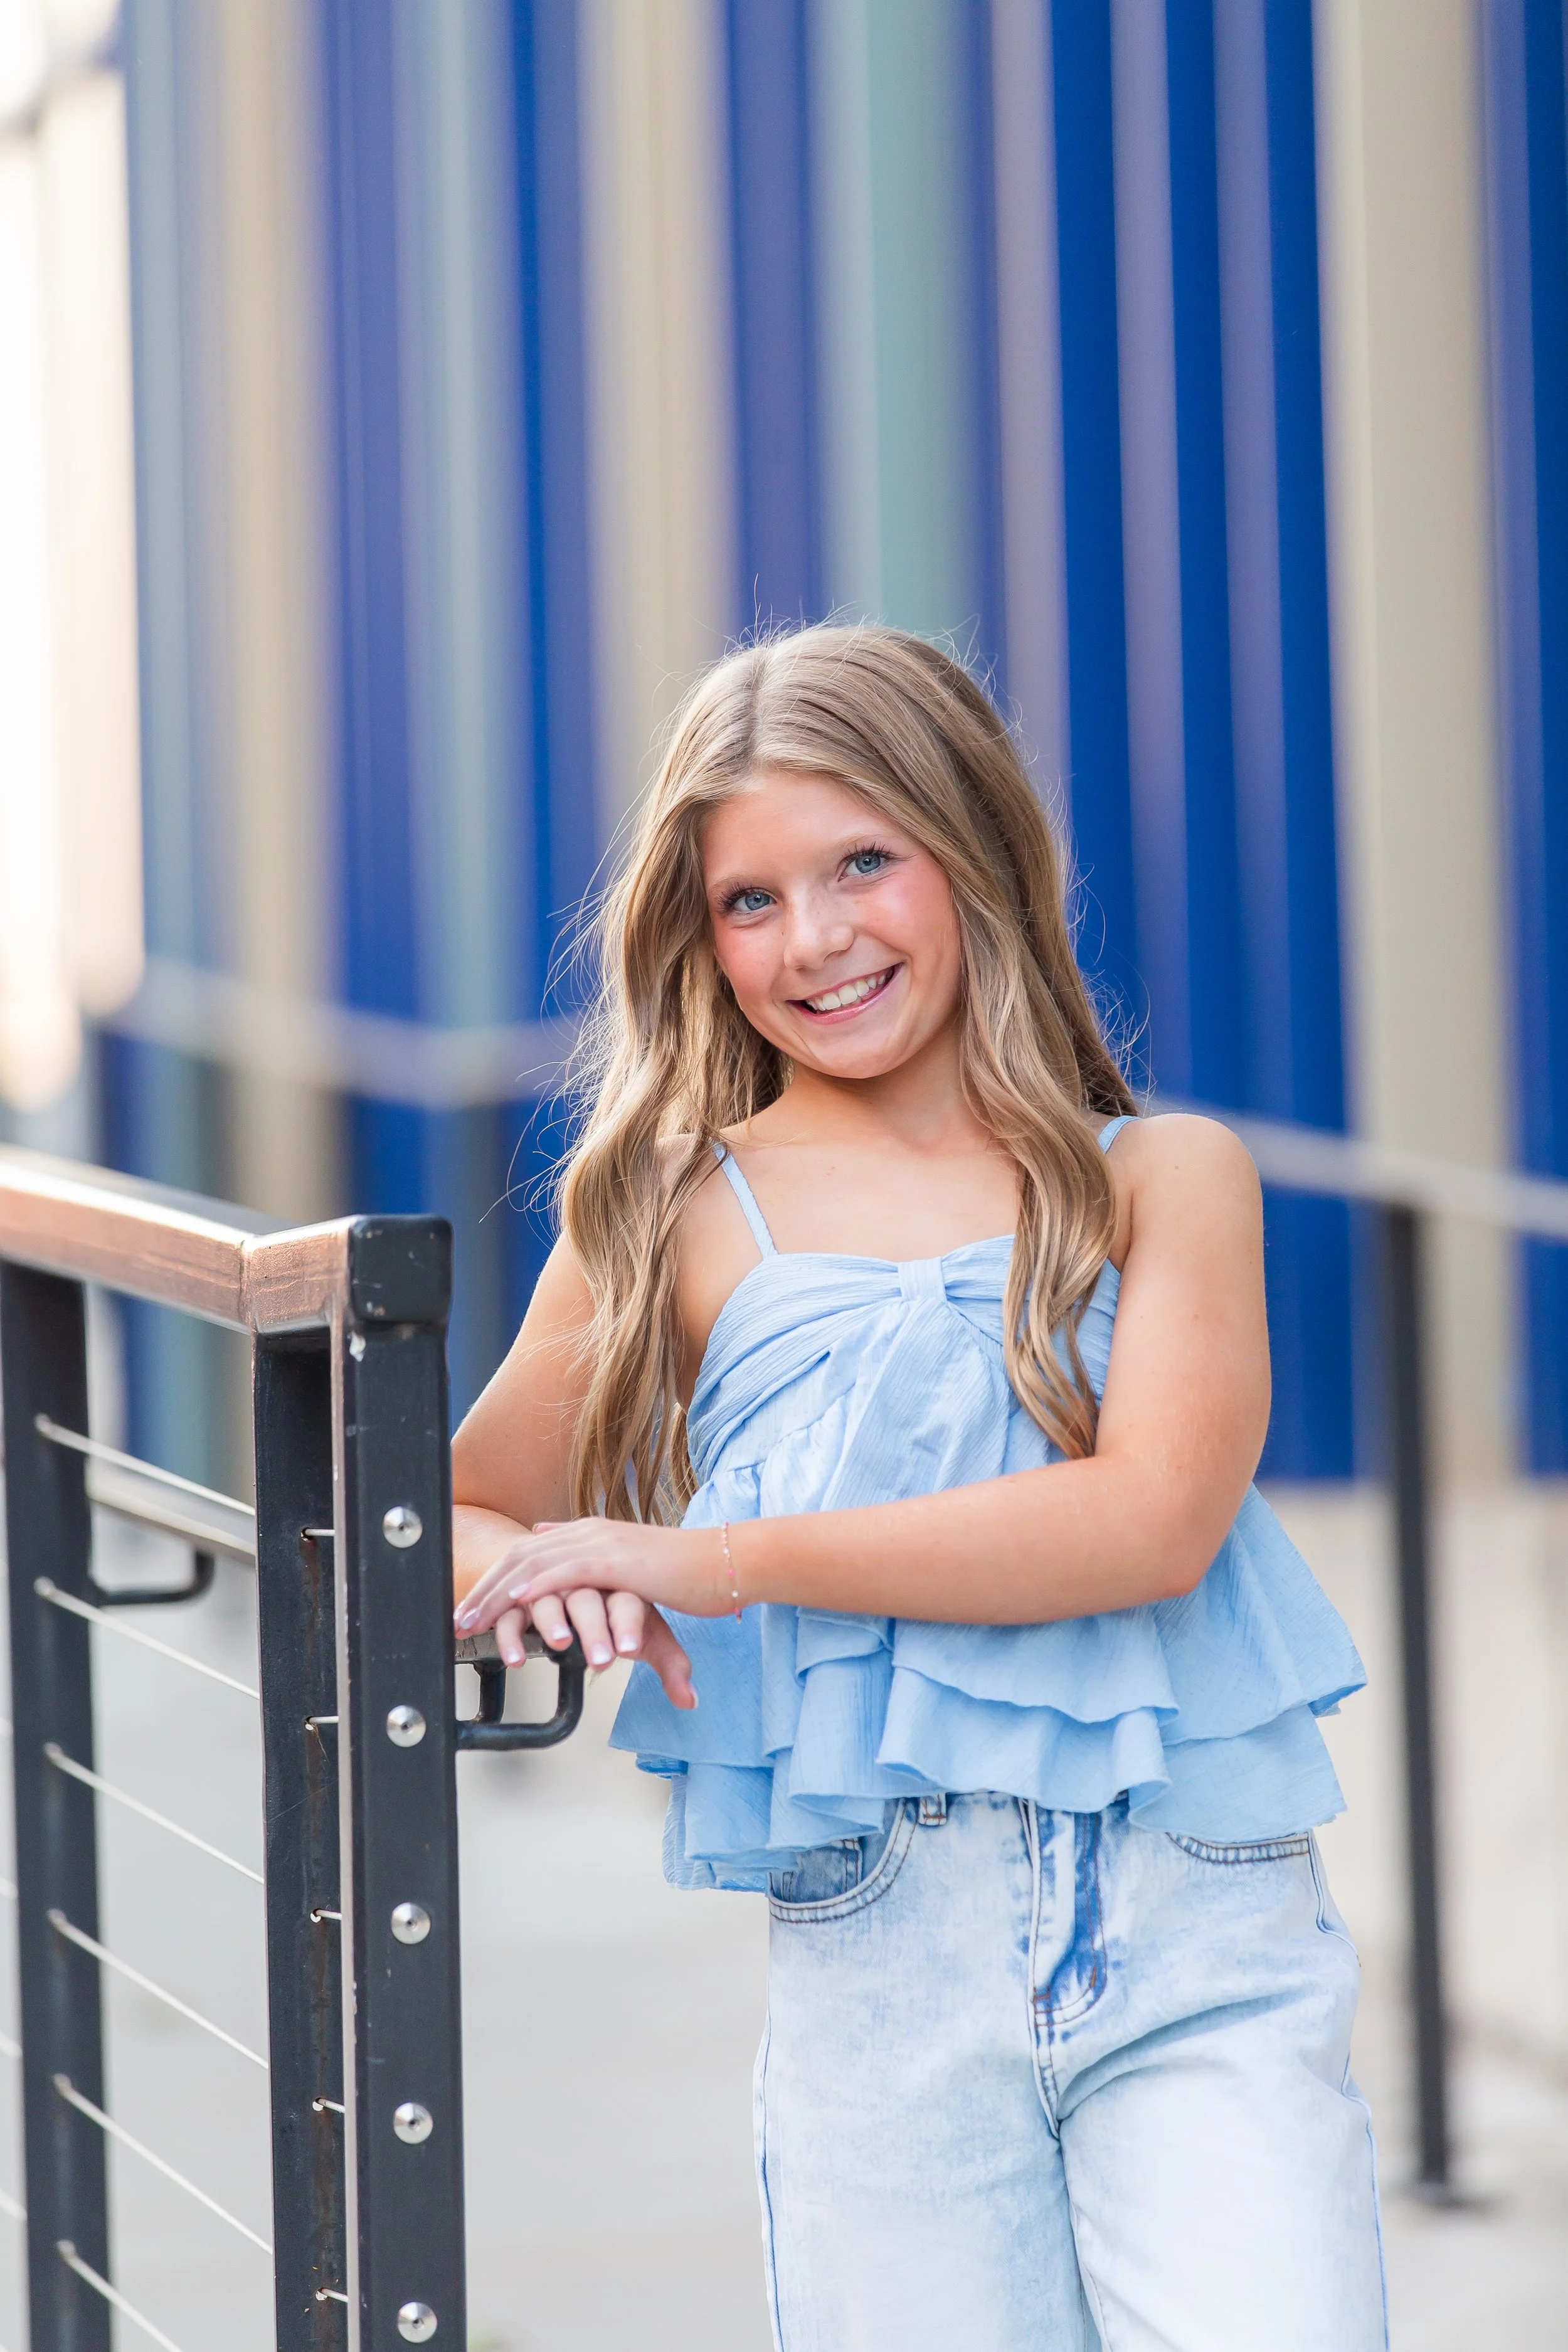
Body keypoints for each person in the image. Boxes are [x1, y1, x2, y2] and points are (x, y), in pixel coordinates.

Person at [451, 625, 1386, 2351]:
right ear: (695, 931)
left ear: (973, 851)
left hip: (1197, 1926)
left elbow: (1146, 1519)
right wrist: (549, 1567)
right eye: (749, 899)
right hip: (879, 1957)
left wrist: (718, 1555)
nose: (812, 940)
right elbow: (456, 1508)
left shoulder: (1164, 1179)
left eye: (862, 861)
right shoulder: (670, 1205)